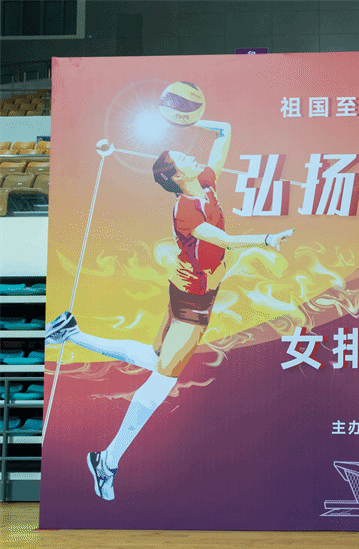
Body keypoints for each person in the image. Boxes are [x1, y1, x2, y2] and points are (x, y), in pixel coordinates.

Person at [45, 118, 294, 502]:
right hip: (194, 299)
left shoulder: (205, 182)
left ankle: (71, 333)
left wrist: (193, 119)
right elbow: (223, 240)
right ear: (177, 177)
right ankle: (107, 460)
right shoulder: (185, 211)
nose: (191, 156)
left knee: (157, 358)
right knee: (162, 380)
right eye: (183, 158)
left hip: (188, 287)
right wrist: (266, 239)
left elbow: (225, 132)